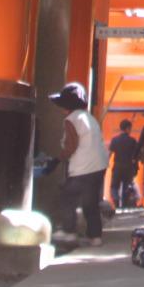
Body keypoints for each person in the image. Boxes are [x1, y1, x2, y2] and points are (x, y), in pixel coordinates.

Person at [50, 82, 107, 246]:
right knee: (90, 203)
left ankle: (69, 231)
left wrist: (57, 160)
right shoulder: (90, 118)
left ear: (66, 105)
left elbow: (71, 145)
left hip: (83, 167)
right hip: (99, 166)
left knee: (67, 196)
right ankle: (95, 236)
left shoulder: (71, 119)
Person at [108, 118, 141, 210]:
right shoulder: (132, 141)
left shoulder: (115, 140)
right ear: (127, 128)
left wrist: (106, 163)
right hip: (128, 167)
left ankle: (116, 200)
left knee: (114, 186)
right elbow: (136, 155)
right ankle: (124, 205)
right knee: (126, 186)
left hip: (117, 166)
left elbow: (110, 153)